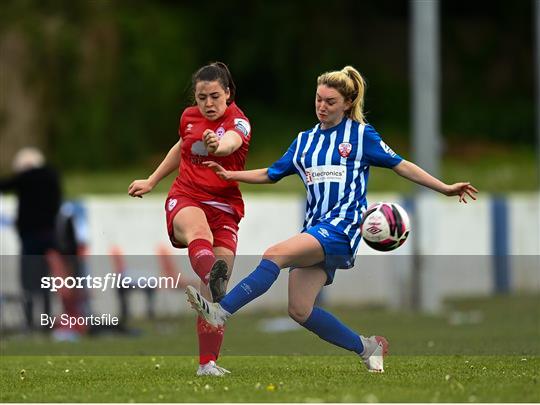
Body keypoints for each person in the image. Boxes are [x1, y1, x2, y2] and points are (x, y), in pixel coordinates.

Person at [185, 66, 478, 373]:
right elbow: (271, 174)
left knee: (274, 254)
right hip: (315, 229)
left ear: (347, 104)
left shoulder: (362, 135)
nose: (322, 106)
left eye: (331, 101)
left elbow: (401, 165)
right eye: (318, 99)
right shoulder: (304, 140)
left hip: (343, 227)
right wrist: (232, 174)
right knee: (300, 310)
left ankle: (221, 311)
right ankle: (367, 347)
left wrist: (444, 187)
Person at [128, 62, 251, 376]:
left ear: (228, 94)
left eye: (214, 97)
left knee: (211, 298)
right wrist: (153, 180)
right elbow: (182, 146)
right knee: (201, 236)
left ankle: (207, 364)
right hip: (187, 196)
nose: (207, 104)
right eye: (201, 98)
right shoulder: (188, 117)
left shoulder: (239, 122)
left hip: (225, 207)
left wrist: (217, 146)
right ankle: (214, 276)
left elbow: (231, 143)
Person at [0, 147, 62, 331]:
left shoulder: (25, 178)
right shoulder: (52, 176)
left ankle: (29, 320)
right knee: (46, 281)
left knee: (28, 281)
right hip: (50, 236)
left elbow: (4, 185)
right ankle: (47, 319)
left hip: (30, 237)